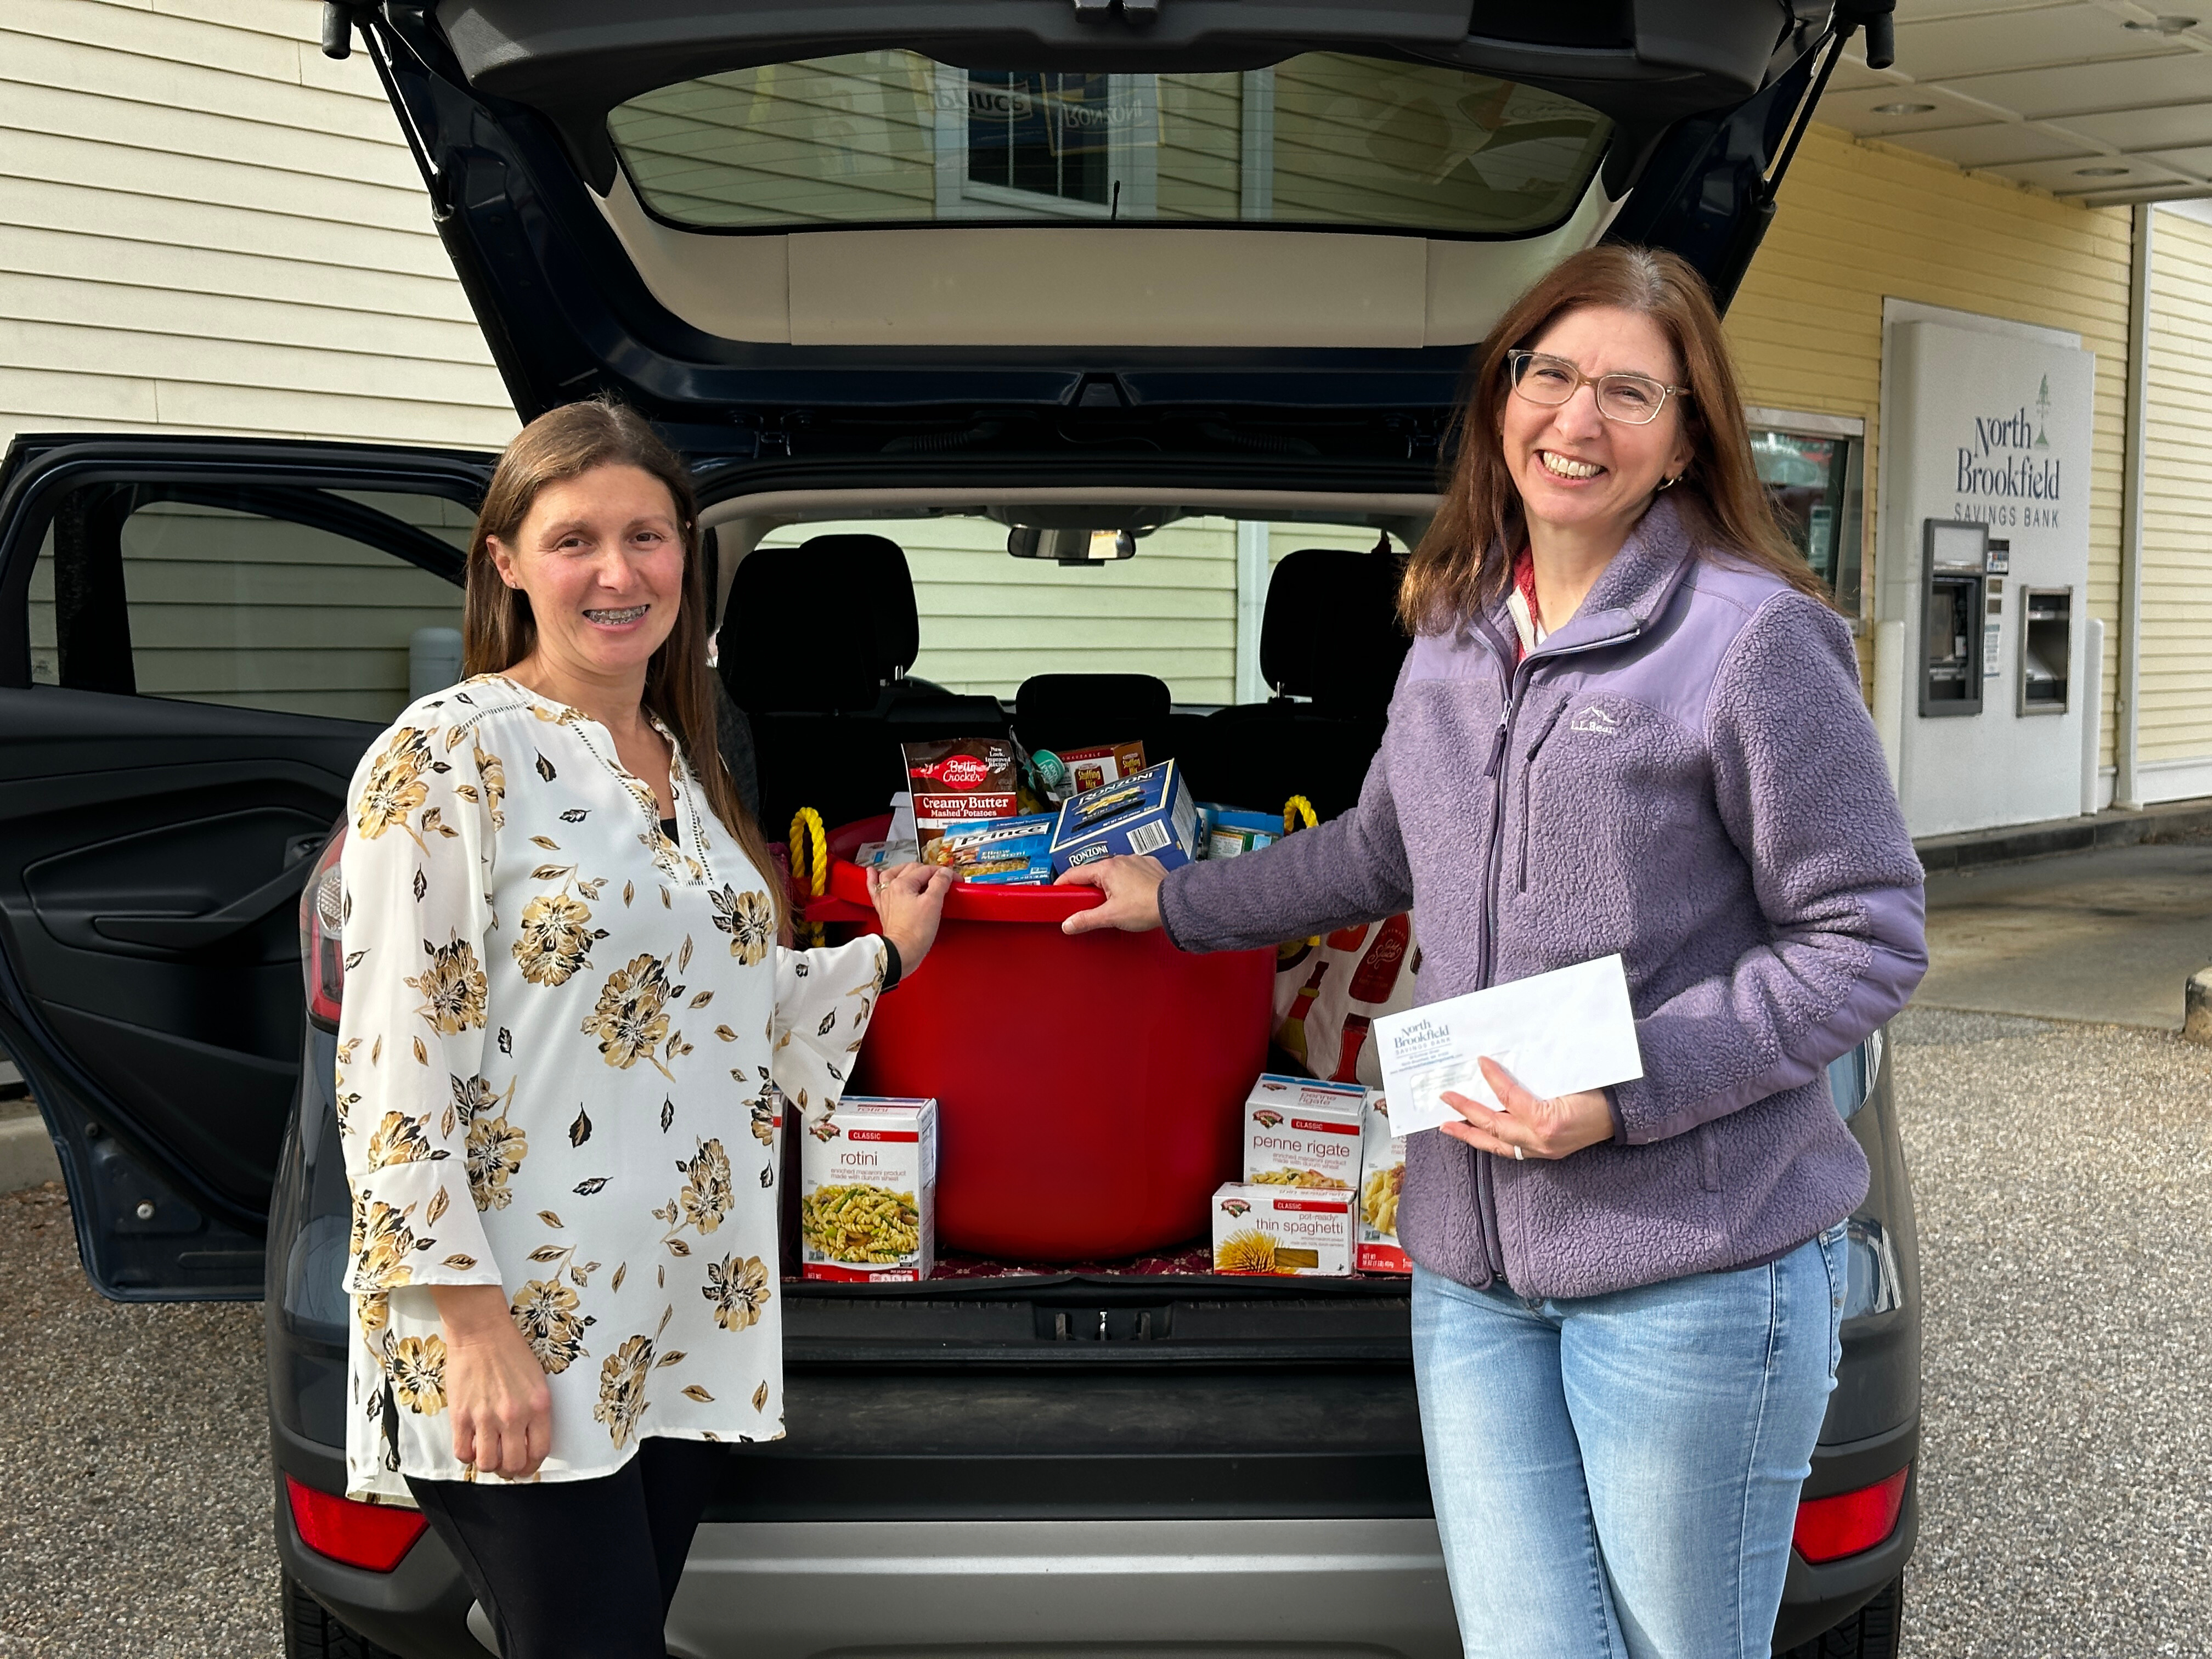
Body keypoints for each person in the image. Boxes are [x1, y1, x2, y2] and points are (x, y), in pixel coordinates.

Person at [1060, 246, 1926, 1658]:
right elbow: (1383, 851)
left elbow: (1865, 936)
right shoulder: (1458, 626)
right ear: (1504, 394)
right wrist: (1179, 901)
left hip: (1689, 1272)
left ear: (1686, 437)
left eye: (1630, 394)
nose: (1578, 424)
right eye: (1554, 377)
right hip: (1472, 1270)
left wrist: (1625, 1092)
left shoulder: (1755, 641)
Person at [335, 400, 952, 1659]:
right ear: (505, 560)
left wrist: (887, 950)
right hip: (523, 1324)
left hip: (677, 1317)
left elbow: (720, 1011)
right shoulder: (448, 756)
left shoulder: (679, 755)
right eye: (575, 541)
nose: (618, 574)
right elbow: (393, 1060)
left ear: (689, 561)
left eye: (648, 537)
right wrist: (471, 1328)